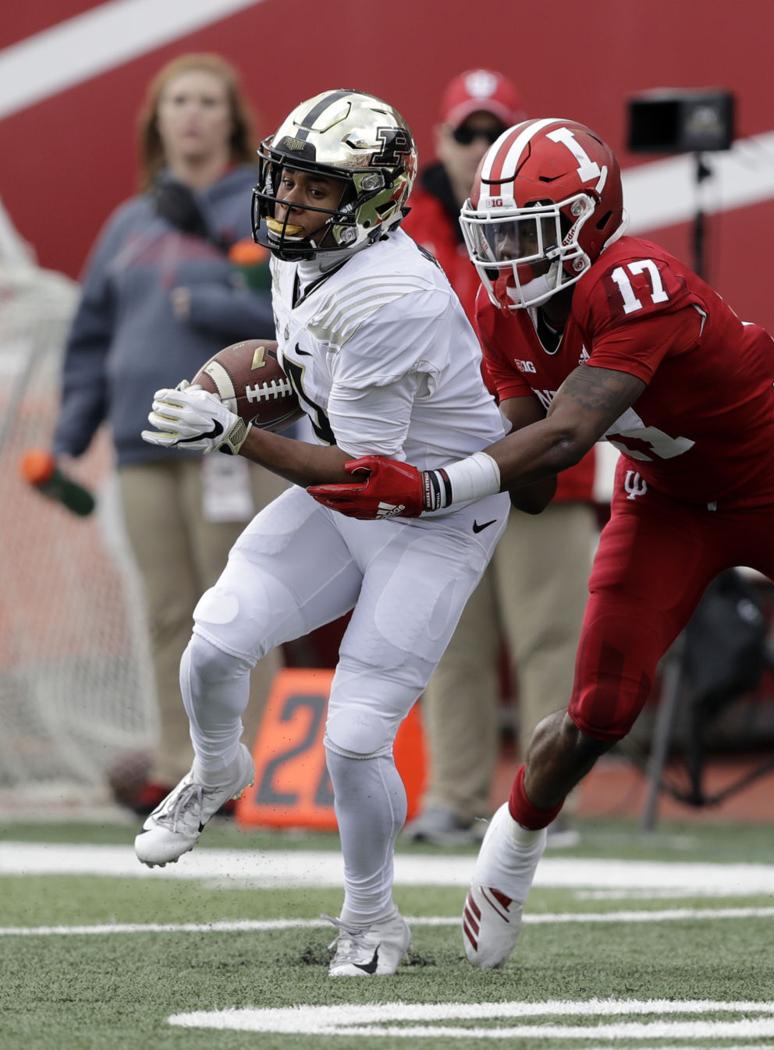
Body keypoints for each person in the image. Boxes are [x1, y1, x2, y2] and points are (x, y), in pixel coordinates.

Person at [308, 118, 774, 979]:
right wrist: (440, 436)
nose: (510, 262)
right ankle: (512, 845)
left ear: (591, 223)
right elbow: (526, 474)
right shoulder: (497, 311)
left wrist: (432, 485)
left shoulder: (638, 281)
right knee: (599, 709)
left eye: (532, 234)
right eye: (498, 239)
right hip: (667, 497)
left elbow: (567, 437)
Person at [133, 89, 510, 978]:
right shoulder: (309, 256)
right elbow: (307, 376)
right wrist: (234, 391)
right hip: (356, 482)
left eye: (316, 190)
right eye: (286, 183)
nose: (289, 205)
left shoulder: (393, 294)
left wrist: (231, 432)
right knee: (214, 638)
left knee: (353, 737)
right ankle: (218, 770)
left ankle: (373, 923)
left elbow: (361, 478)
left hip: (429, 515)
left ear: (375, 199)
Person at [52, 53, 284, 815]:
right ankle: (176, 763)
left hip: (234, 442)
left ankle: (255, 767)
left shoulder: (264, 209)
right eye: (177, 101)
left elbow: (294, 323)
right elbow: (90, 338)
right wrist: (70, 435)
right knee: (164, 612)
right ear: (157, 118)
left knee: (243, 605)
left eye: (207, 101)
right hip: (140, 448)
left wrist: (212, 303)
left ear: (231, 120)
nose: (190, 114)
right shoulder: (130, 222)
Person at [401, 70, 596, 845]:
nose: (478, 148)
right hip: (446, 461)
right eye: (465, 133)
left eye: (493, 134)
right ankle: (452, 791)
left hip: (543, 457)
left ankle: (550, 801)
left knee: (550, 637)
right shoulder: (400, 225)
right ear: (441, 142)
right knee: (449, 637)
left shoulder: (559, 219)